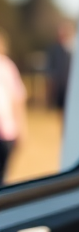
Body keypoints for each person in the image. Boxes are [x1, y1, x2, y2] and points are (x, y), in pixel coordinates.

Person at [0, 29, 27, 184]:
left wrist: (22, 127)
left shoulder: (7, 67)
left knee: (4, 174)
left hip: (7, 132)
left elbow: (18, 99)